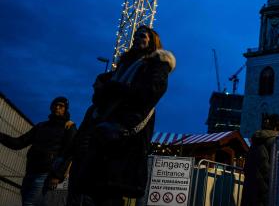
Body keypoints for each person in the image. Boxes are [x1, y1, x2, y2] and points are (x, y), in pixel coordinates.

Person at [71, 25, 175, 206]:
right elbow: (102, 98)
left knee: (112, 193)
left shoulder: (157, 64)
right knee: (96, 192)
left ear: (153, 41)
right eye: (135, 35)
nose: (137, 38)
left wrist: (116, 89)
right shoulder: (124, 66)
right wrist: (103, 85)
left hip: (126, 134)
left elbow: (149, 93)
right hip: (105, 131)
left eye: (142, 35)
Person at [0, 96, 76, 206]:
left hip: (45, 174)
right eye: (55, 105)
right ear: (51, 107)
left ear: (65, 109)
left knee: (29, 203)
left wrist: (57, 175)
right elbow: (19, 142)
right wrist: (1, 137)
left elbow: (69, 153)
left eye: (61, 106)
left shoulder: (68, 127)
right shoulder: (41, 126)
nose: (57, 107)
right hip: (30, 171)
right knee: (27, 202)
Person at [241, 113, 279, 206]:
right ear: (276, 128)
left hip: (249, 186)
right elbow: (273, 167)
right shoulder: (275, 141)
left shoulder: (256, 140)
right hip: (264, 189)